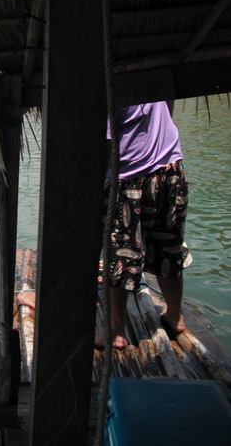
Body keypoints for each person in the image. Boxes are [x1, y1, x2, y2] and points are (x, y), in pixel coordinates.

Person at [95, 100, 189, 349]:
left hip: (131, 177)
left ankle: (115, 331)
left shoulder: (109, 82)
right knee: (169, 246)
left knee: (121, 255)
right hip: (171, 168)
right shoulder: (151, 68)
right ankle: (175, 315)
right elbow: (168, 102)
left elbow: (105, 146)